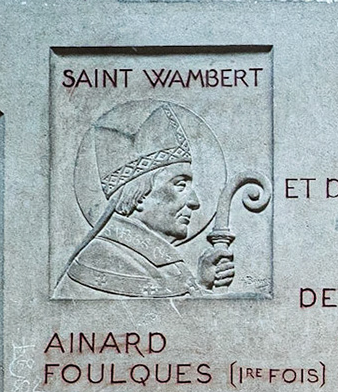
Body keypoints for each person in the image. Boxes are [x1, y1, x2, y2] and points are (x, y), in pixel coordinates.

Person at [58, 103, 234, 297]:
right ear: (138, 197)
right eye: (180, 185)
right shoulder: (106, 260)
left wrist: (201, 285)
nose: (195, 201)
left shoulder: (148, 259)